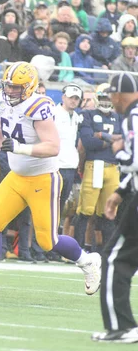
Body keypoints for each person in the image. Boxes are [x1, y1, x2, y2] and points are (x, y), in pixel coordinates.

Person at [0, 61, 102, 295]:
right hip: (16, 176)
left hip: (43, 179)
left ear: (30, 87)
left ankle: (88, 261)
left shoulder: (38, 107)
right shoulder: (2, 101)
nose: (10, 91)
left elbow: (53, 147)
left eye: (16, 87)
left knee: (47, 241)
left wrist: (21, 148)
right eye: (8, 86)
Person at [92, 72, 138, 343]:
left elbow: (133, 158)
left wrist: (118, 147)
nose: (111, 99)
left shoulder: (133, 116)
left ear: (120, 94)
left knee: (114, 258)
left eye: (112, 94)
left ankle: (121, 326)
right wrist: (120, 192)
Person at [75, 83, 122, 254]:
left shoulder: (119, 117)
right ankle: (76, 249)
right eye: (103, 97)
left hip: (113, 167)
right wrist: (110, 140)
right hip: (95, 165)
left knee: (109, 212)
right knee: (86, 210)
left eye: (108, 98)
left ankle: (106, 252)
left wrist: (101, 135)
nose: (105, 101)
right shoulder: (87, 114)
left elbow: (124, 141)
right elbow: (88, 142)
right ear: (97, 97)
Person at [54, 84, 82, 221]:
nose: (74, 101)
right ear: (63, 97)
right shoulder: (53, 113)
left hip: (70, 166)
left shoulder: (77, 116)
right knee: (50, 204)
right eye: (71, 97)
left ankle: (52, 238)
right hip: (55, 165)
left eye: (77, 98)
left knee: (61, 204)